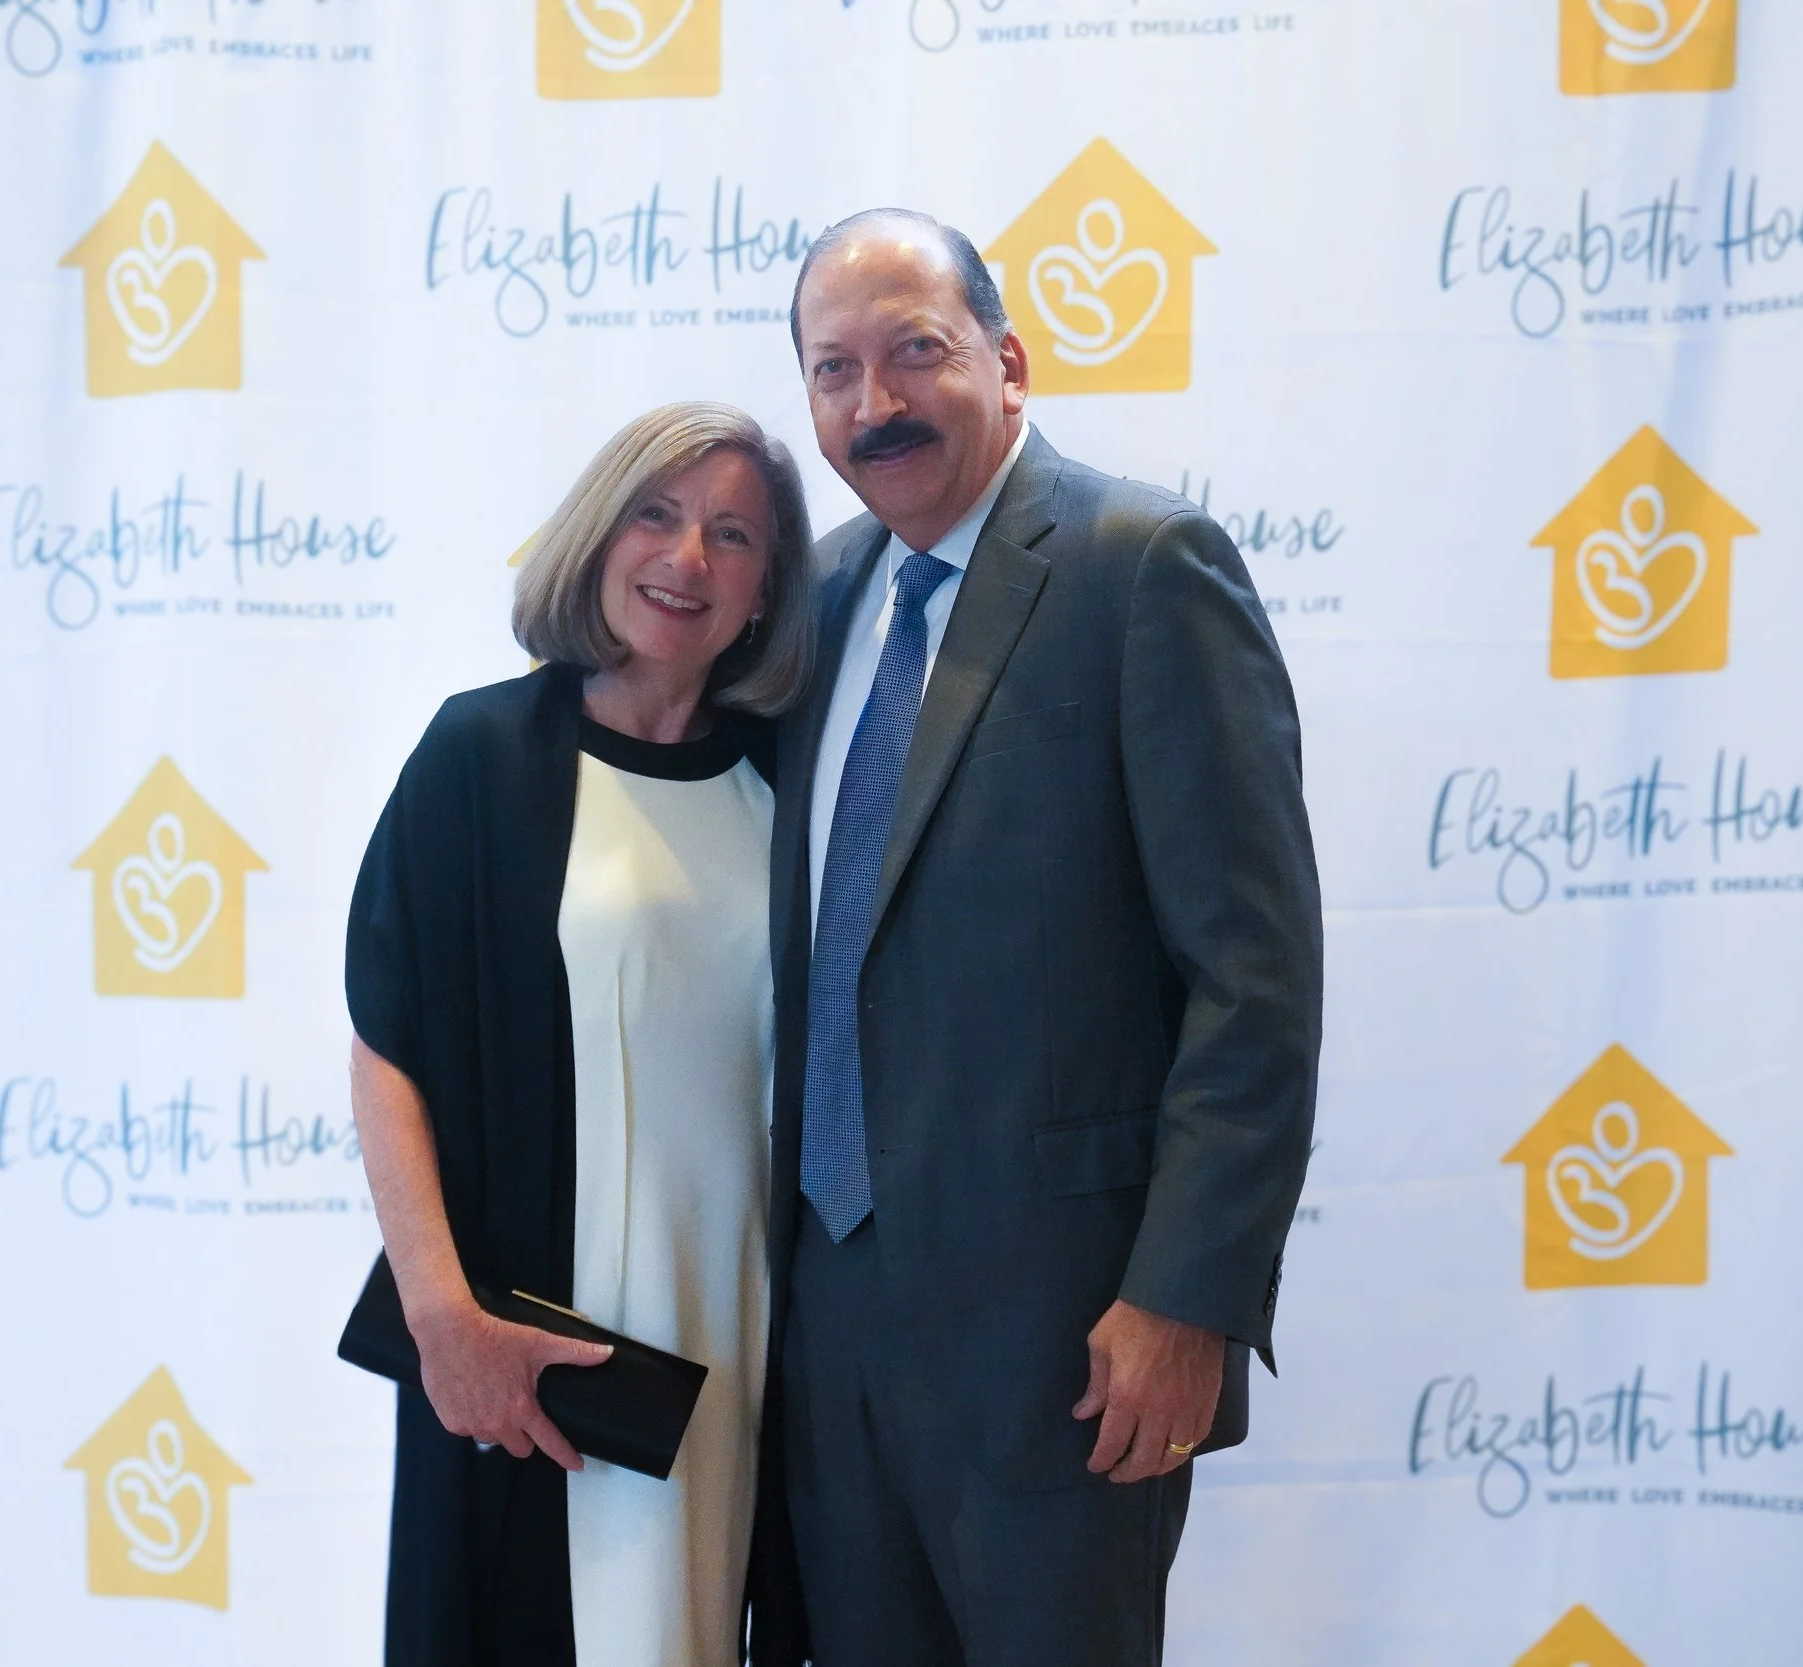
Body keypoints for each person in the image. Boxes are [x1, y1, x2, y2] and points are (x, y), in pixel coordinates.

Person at [764, 209, 1323, 1665]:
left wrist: (1186, 1297)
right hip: (828, 1342)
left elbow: (1252, 982)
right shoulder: (813, 599)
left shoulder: (1144, 566)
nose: (875, 403)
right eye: (834, 369)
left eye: (915, 352)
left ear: (1007, 363)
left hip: (1070, 1340)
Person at [343, 402, 816, 1667]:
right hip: (522, 1345)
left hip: (733, 1339)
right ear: (600, 534)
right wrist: (444, 1321)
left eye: (733, 534)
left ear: (768, 587)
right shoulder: (483, 755)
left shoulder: (793, 780)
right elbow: (387, 1047)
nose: (688, 558)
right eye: (657, 515)